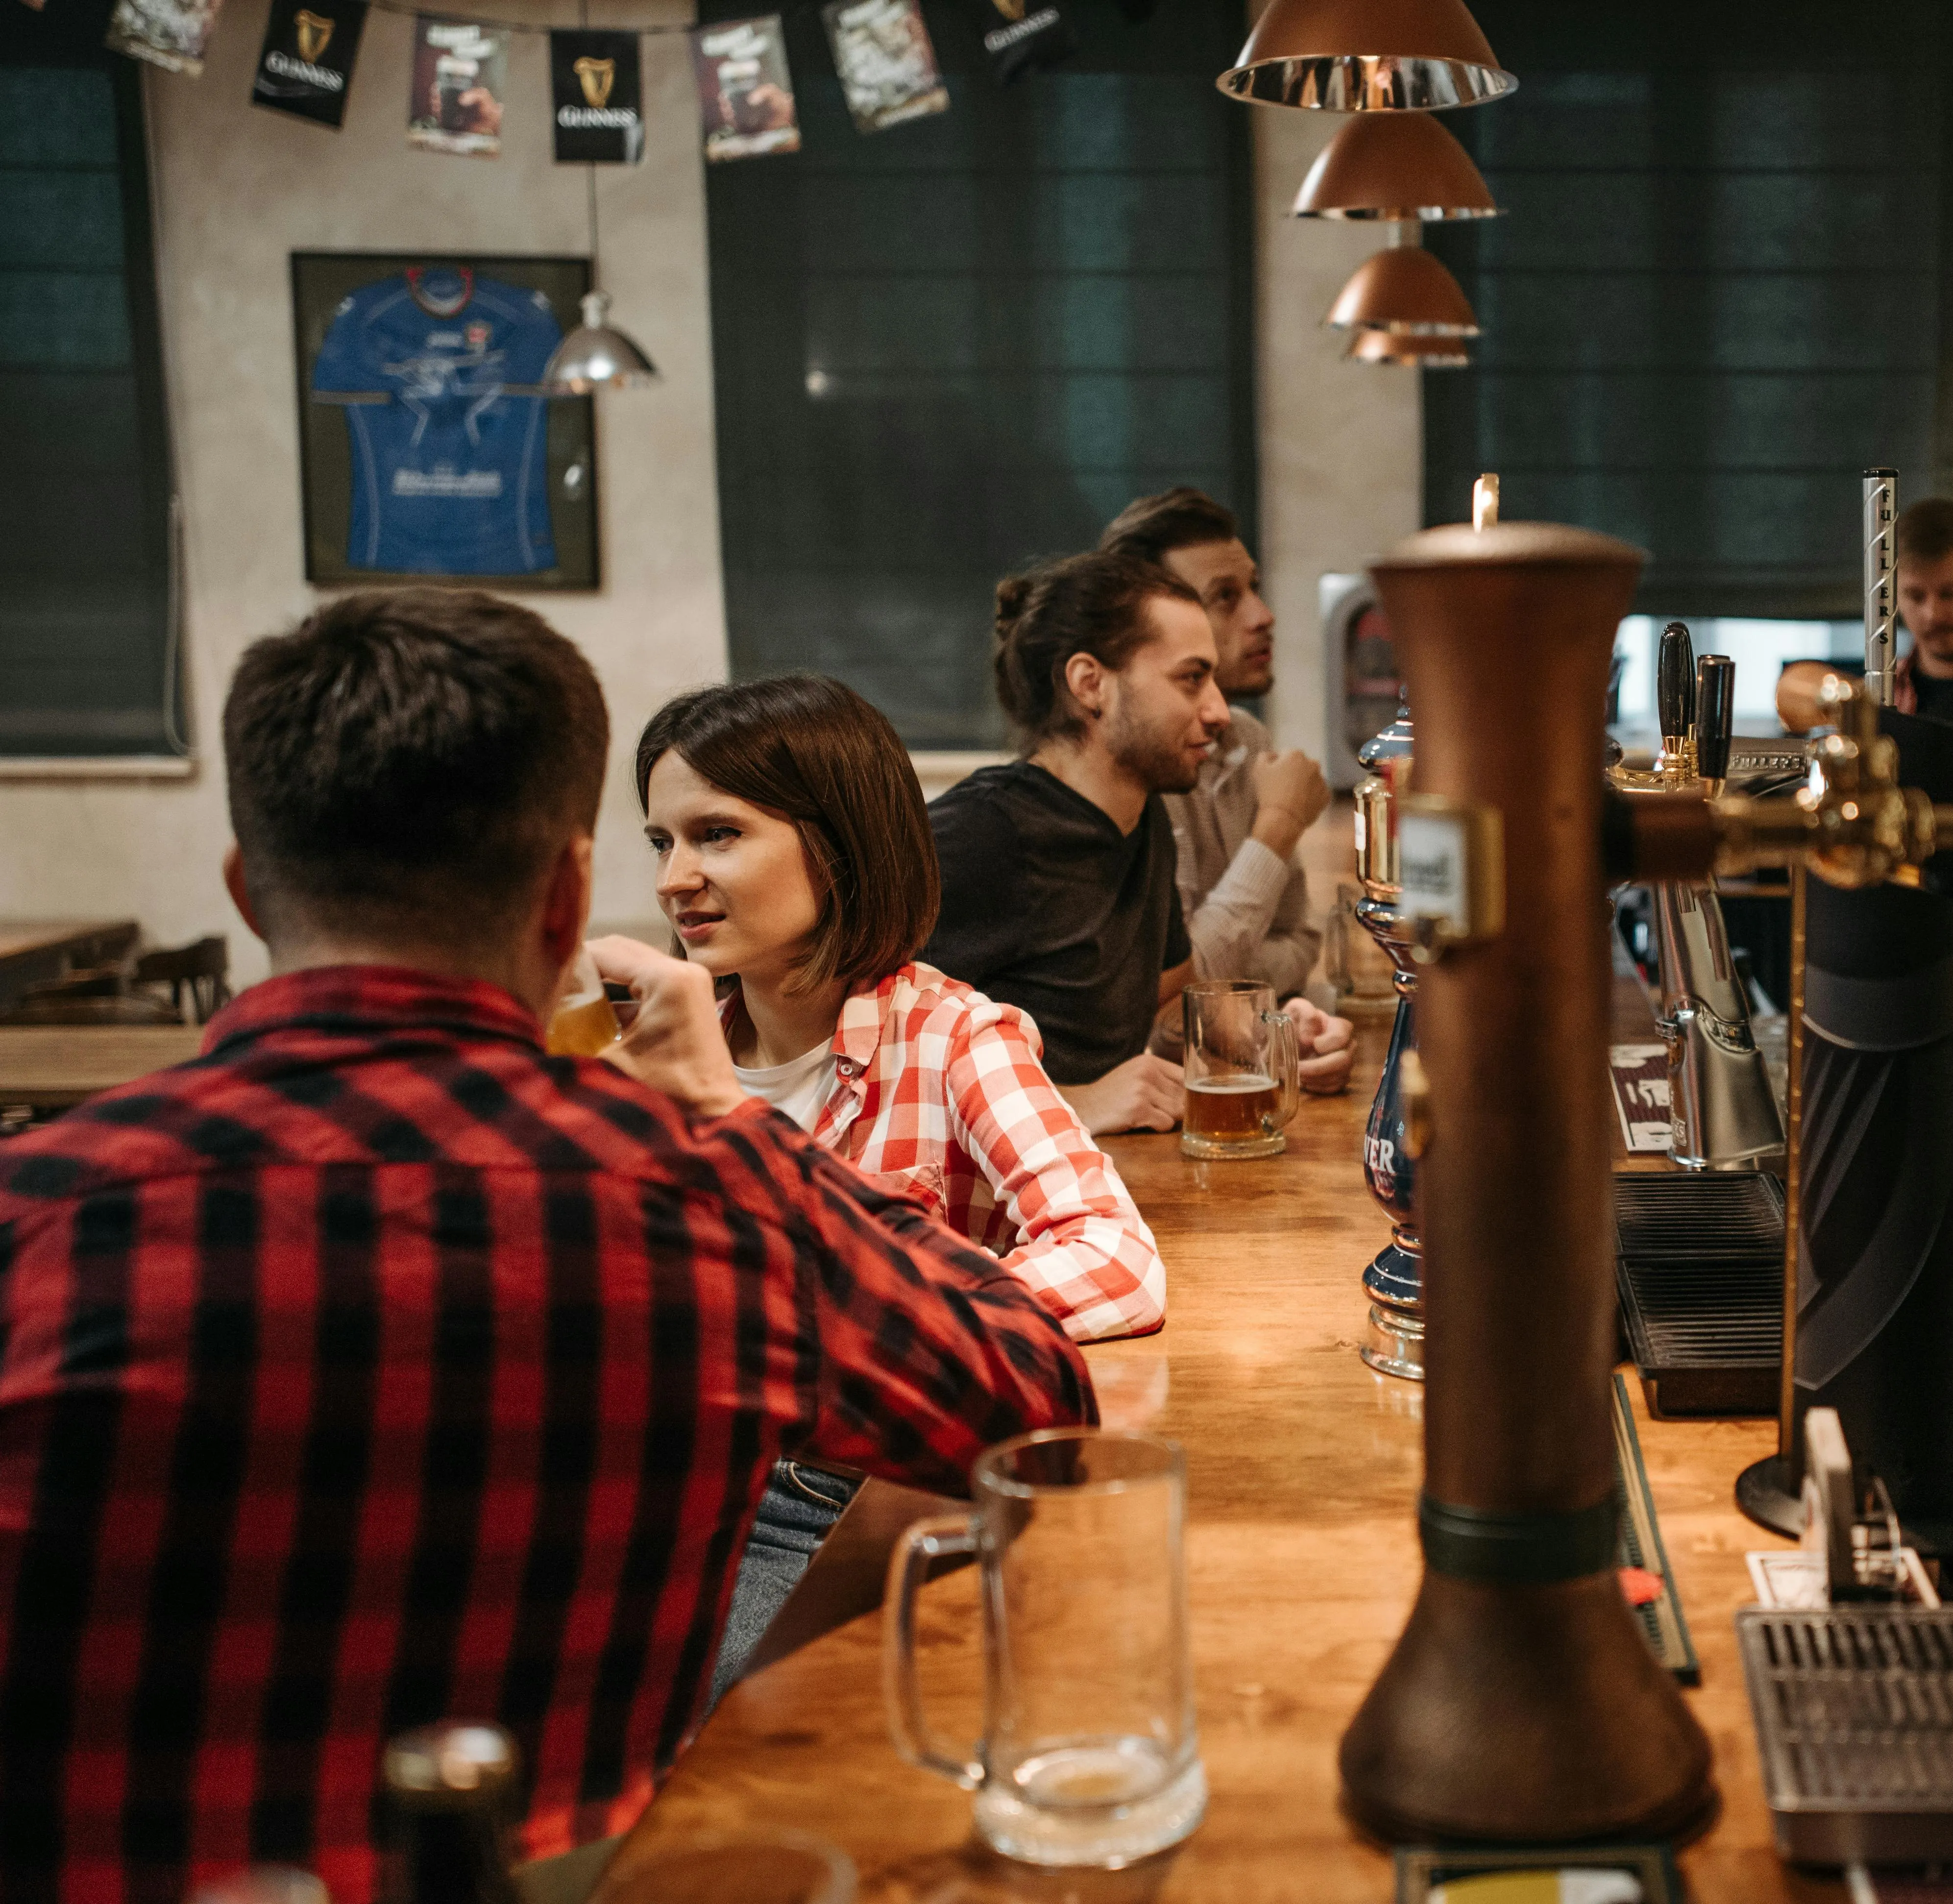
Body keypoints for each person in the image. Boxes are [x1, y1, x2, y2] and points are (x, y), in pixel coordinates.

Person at [0, 590, 1093, 1904]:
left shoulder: (34, 1212)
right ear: (568, 895)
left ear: (247, 889)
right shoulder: (716, 1202)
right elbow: (1036, 1394)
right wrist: (741, 1134)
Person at [639, 672, 1165, 1690]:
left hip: (834, 1495)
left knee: (710, 1729)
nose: (674, 878)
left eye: (717, 834)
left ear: (838, 842)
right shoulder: (657, 1051)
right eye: (661, 841)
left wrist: (887, 1321)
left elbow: (1116, 1257)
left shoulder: (950, 1034)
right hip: (677, 1492)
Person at [923, 551, 1349, 1132]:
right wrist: (1074, 1102)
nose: (1220, 712)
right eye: (1192, 678)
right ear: (1090, 684)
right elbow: (850, 1052)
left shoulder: (1143, 820)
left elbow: (1167, 1003)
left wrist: (1268, 1039)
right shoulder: (981, 833)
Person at [1099, 487, 1335, 1008]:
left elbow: (1300, 941)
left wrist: (1229, 982)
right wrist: (1278, 827)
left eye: (1254, 588)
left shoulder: (1247, 737)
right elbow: (1173, 992)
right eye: (1225, 597)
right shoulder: (1132, 762)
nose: (1263, 615)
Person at [1776, 497, 1953, 737]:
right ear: (1894, 595)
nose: (1933, 615)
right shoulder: (1880, 694)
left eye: (1950, 594)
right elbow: (1790, 691)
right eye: (1916, 596)